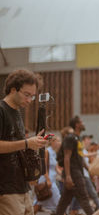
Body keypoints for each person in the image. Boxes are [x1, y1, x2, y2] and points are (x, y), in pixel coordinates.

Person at [0, 69, 47, 215]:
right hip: (6, 188)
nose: (29, 100)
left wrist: (34, 143)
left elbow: (17, 147)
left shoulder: (17, 113)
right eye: (26, 95)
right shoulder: (1, 111)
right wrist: (27, 143)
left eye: (32, 97)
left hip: (22, 186)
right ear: (13, 89)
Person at [55, 128, 94, 215]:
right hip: (73, 174)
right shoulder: (69, 142)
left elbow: (81, 159)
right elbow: (66, 159)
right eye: (71, 133)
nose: (73, 136)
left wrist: (89, 170)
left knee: (64, 201)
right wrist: (68, 176)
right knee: (84, 199)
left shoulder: (75, 143)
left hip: (75, 173)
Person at [33, 135, 62, 215]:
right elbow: (43, 166)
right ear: (52, 142)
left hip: (51, 180)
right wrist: (48, 180)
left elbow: (56, 168)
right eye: (58, 141)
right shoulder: (47, 152)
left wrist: (64, 176)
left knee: (38, 202)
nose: (60, 143)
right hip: (46, 180)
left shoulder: (54, 153)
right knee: (59, 202)